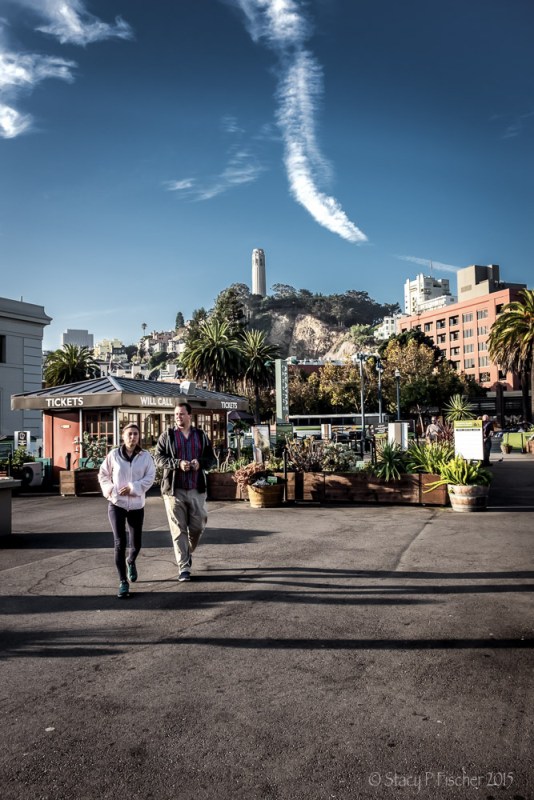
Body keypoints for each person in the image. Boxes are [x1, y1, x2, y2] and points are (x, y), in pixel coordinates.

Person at [155, 402, 217, 582]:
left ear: (190, 416)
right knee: (178, 530)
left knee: (198, 527)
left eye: (181, 414)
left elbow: (211, 459)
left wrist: (200, 463)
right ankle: (184, 568)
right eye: (176, 414)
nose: (178, 417)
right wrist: (177, 463)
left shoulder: (200, 435)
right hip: (174, 490)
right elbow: (158, 458)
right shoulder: (168, 436)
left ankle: (187, 551)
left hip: (197, 489)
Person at [98, 423, 156, 598]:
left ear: (139, 437)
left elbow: (150, 477)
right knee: (119, 543)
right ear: (123, 436)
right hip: (117, 504)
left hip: (137, 505)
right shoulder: (114, 455)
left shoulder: (145, 457)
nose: (132, 437)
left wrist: (132, 487)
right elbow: (103, 474)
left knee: (136, 544)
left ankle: (130, 561)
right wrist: (111, 490)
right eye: (129, 434)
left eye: (136, 434)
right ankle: (123, 582)